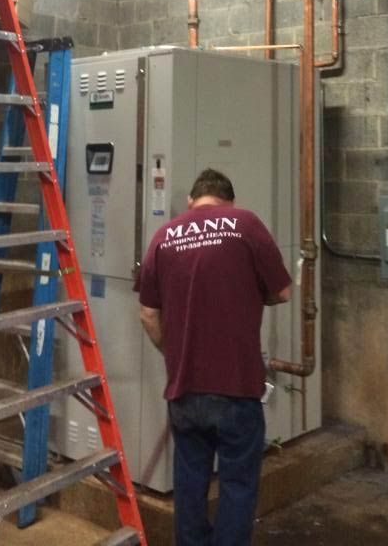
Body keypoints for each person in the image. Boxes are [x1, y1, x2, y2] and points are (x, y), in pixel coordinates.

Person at [136, 167, 292, 546]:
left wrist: (173, 353)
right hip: (236, 387)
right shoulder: (244, 223)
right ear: (229, 202)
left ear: (192, 201)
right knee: (237, 487)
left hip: (184, 389)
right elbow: (283, 292)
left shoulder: (164, 236)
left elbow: (148, 313)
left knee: (189, 487)